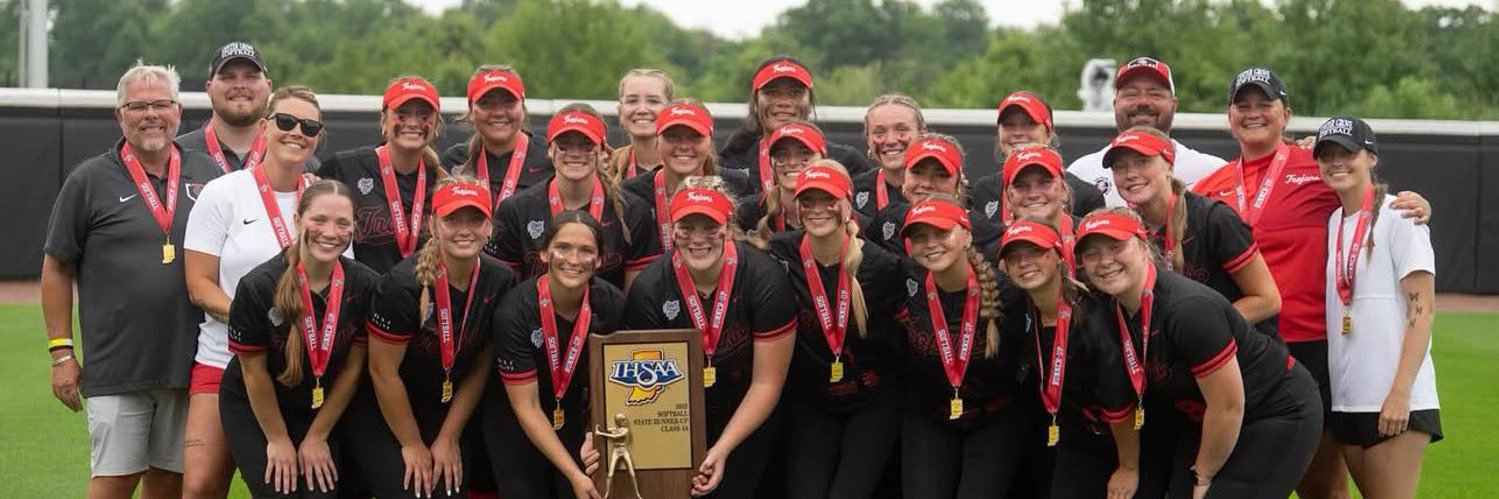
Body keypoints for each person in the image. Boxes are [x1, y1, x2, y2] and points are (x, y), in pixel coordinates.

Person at [1192, 67, 1431, 499]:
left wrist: (1415, 203)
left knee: (1321, 484)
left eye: (1264, 104)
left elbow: (1368, 198)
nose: (1253, 114)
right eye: (1242, 106)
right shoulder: (1210, 188)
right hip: (1240, 351)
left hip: (1315, 350)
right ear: (1228, 116)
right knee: (1242, 476)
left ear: (1286, 113)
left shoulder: (1318, 167)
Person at [42, 62, 221, 499]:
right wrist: (61, 354)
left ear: (179, 110)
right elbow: (57, 267)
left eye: (161, 103)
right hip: (118, 365)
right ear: (119, 114)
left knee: (170, 479)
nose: (151, 114)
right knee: (115, 480)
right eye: (138, 106)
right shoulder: (89, 179)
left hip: (188, 360)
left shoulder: (210, 176)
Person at [1076, 209, 1322, 499]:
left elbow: (1229, 406)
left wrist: (1203, 475)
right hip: (1205, 420)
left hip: (1272, 411)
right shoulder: (1108, 310)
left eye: (1117, 247)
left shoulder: (1188, 309)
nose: (1105, 262)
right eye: (1091, 254)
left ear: (1143, 247)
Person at [181, 85, 328, 498]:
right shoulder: (223, 193)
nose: (296, 132)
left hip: (299, 368)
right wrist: (257, 325)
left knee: (293, 488)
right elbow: (199, 285)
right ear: (265, 127)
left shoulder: (324, 200)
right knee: (200, 485)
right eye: (285, 121)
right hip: (222, 358)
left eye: (309, 126)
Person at [616, 181, 797, 498]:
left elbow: (767, 383)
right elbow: (647, 389)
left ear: (728, 229)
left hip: (748, 414)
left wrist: (722, 449)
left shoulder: (764, 278)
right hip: (676, 417)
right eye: (687, 227)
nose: (698, 239)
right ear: (673, 231)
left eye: (710, 226)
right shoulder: (649, 288)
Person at [350, 178, 516, 499]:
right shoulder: (402, 286)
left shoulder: (500, 280)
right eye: (452, 219)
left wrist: (449, 437)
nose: (464, 230)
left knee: (446, 491)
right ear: (433, 224)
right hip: (385, 410)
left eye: (475, 220)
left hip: (445, 410)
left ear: (489, 227)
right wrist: (412, 444)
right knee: (413, 492)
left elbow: (483, 361)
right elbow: (383, 373)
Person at [220, 180, 380, 497]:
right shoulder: (259, 286)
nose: (330, 232)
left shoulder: (365, 284)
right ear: (298, 220)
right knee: (280, 491)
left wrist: (317, 436)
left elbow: (352, 369)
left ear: (353, 230)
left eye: (342, 223)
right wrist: (278, 440)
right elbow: (254, 373)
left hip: (321, 409)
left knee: (321, 492)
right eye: (318, 220)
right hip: (258, 405)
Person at [1313, 117, 1442, 498]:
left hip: (1395, 398)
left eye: (1347, 153)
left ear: (1370, 158)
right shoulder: (1335, 219)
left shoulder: (1401, 215)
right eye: (1327, 155)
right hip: (1349, 399)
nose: (1337, 162)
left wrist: (1400, 393)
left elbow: (1424, 311)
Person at [763, 162, 906, 499]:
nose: (818, 210)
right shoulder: (780, 253)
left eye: (828, 200)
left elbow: (906, 336)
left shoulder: (882, 265)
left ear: (847, 202)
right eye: (808, 201)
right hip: (812, 400)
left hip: (873, 400)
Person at [895, 196, 1030, 498]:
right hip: (929, 417)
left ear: (967, 235)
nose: (930, 244)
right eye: (919, 237)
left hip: (994, 419)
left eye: (942, 233)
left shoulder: (1009, 293)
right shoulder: (905, 281)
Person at [491, 211, 627, 499]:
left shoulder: (613, 304)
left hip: (577, 421)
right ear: (544, 252)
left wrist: (594, 434)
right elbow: (526, 406)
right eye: (563, 248)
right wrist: (574, 474)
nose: (574, 260)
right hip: (518, 423)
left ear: (600, 259)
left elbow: (615, 387)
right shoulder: (514, 311)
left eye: (586, 250)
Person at [995, 219, 1132, 498]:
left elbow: (1121, 404)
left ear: (1059, 256)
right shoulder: (1020, 310)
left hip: (1127, 438)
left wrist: (1129, 467)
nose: (1024, 263)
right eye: (1014, 257)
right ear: (1005, 268)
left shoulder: (1093, 317)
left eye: (1036, 252)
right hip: (1075, 438)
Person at [1104, 127, 1281, 335]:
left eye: (1143, 162)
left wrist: (1197, 329)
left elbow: (1268, 300)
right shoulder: (1129, 231)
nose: (1131, 174)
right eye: (1119, 167)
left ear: (1169, 166)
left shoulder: (1214, 218)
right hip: (1182, 360)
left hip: (1248, 360)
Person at [490, 104, 659, 291]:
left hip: (607, 318)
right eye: (564, 145)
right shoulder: (517, 210)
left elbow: (634, 298)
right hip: (534, 318)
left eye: (587, 145)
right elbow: (506, 292)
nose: (575, 153)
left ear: (603, 150)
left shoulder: (632, 211)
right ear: (549, 149)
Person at [318, 76, 447, 274]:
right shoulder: (346, 168)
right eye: (402, 115)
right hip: (361, 300)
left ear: (436, 124)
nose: (413, 123)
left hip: (422, 301)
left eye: (423, 115)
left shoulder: (442, 182)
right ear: (383, 121)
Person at [1068, 57, 1227, 206]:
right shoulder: (1081, 172)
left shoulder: (1212, 172)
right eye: (1131, 94)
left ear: (1173, 105)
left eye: (1155, 94)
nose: (1143, 102)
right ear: (1115, 104)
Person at [719, 55, 874, 193]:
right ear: (756, 100)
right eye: (772, 93)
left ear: (810, 100)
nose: (784, 102)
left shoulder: (845, 161)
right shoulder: (732, 162)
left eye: (795, 93)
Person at [620, 100, 750, 254]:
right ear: (657, 140)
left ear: (710, 141)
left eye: (694, 137)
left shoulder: (737, 185)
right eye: (672, 136)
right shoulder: (629, 194)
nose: (683, 146)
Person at [969, 90, 1105, 225]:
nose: (1017, 133)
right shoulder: (984, 189)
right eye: (1009, 125)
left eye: (1029, 124)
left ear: (1048, 133)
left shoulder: (1086, 195)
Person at [864, 134, 1001, 258]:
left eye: (941, 175)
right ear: (904, 176)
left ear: (959, 182)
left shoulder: (985, 233)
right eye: (917, 172)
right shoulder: (888, 219)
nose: (927, 183)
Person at [445, 65, 553, 208]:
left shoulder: (550, 159)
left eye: (508, 102)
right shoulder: (454, 163)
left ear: (522, 106)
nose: (498, 113)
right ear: (471, 110)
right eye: (486, 103)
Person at [177, 42, 274, 174]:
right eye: (228, 77)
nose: (239, 85)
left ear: (269, 87)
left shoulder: (294, 155)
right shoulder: (177, 155)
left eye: (251, 77)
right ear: (209, 88)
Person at [737, 120, 828, 242]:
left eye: (804, 154)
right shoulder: (745, 213)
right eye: (781, 155)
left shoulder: (838, 213)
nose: (792, 162)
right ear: (770, 162)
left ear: (823, 159)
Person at [852, 94, 926, 217]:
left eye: (901, 130)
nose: (890, 140)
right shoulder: (853, 192)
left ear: (922, 134)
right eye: (879, 132)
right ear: (868, 139)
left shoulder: (943, 188)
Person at [607, 68, 675, 183]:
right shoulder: (606, 169)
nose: (642, 110)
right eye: (632, 101)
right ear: (620, 111)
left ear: (670, 110)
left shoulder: (689, 166)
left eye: (653, 101)